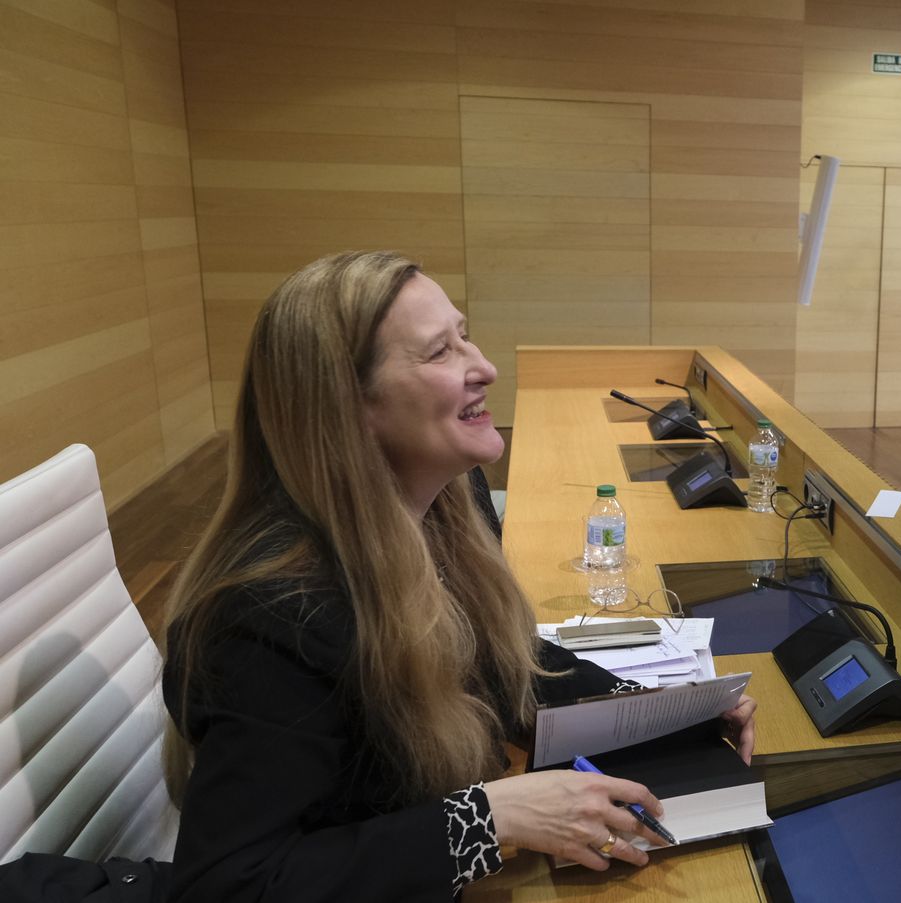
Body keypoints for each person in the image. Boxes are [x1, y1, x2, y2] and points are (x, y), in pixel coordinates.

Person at [161, 250, 757, 901]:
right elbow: (227, 884)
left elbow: (503, 663)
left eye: (464, 334)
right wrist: (490, 816)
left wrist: (671, 716)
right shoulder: (271, 615)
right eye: (439, 351)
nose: (485, 367)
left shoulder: (446, 505)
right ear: (348, 404)